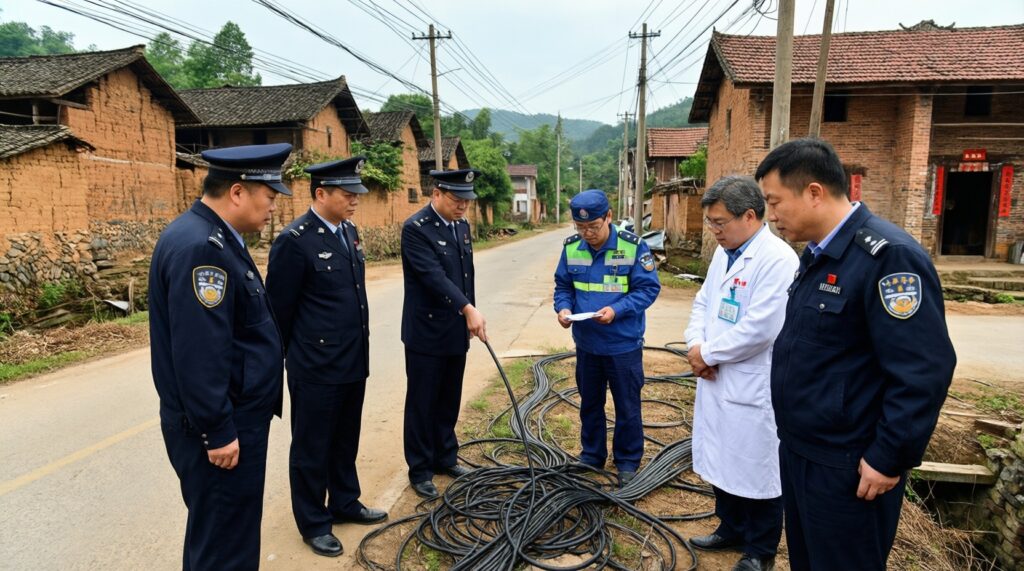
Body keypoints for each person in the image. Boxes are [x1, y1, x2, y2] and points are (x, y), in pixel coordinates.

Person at [755, 138, 956, 570]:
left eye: (774, 202)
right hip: (802, 451)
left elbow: (923, 371)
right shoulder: (817, 256)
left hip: (850, 467)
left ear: (813, 192)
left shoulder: (888, 258)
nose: (770, 216)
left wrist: (888, 458)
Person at [149, 143, 292, 570]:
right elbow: (199, 351)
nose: (273, 209)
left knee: (228, 534)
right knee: (222, 546)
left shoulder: (214, 236)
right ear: (237, 192)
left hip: (234, 417)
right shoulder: (202, 248)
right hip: (220, 430)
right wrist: (217, 429)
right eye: (269, 197)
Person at [265, 157, 386, 558]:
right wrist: (287, 362)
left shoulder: (347, 231)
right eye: (347, 194)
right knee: (312, 447)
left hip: (352, 360)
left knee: (344, 439)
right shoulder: (294, 241)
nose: (355, 200)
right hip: (314, 366)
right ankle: (314, 521)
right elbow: (278, 312)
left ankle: (345, 502)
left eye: (356, 194)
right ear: (321, 194)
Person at [683, 176, 798, 571]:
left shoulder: (778, 259)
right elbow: (703, 302)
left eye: (720, 222)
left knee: (757, 466)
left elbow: (762, 328)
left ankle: (760, 550)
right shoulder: (724, 252)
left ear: (749, 216)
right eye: (711, 222)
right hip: (716, 375)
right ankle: (730, 527)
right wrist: (695, 346)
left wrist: (709, 354)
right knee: (722, 458)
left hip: (753, 381)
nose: (714, 231)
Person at [553, 189, 661, 487]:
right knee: (590, 402)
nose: (587, 233)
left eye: (593, 226)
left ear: (609, 217)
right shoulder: (572, 247)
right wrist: (562, 308)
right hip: (587, 345)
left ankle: (627, 460)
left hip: (622, 345)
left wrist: (616, 309)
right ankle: (592, 454)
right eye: (581, 227)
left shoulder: (632, 247)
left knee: (627, 405)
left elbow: (648, 289)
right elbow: (563, 285)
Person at [401, 168, 487, 499]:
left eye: (467, 200)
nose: (463, 206)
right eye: (456, 199)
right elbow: (433, 277)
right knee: (423, 402)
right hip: (426, 332)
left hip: (454, 329)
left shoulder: (461, 227)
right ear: (436, 194)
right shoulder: (416, 229)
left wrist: (469, 313)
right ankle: (420, 468)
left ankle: (445, 457)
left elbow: (465, 276)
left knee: (449, 398)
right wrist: (468, 309)